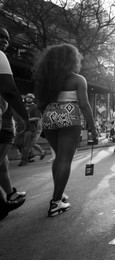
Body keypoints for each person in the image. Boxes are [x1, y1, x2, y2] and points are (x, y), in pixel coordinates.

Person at [34, 43, 97, 217]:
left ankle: (59, 195)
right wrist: (92, 127)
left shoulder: (45, 80)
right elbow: (84, 105)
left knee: (58, 158)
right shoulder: (78, 79)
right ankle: (56, 202)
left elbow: (39, 104)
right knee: (64, 159)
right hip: (70, 118)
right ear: (72, 60)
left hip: (49, 117)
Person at [0, 26, 29, 220]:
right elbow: (10, 90)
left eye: (7, 38)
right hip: (3, 122)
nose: (4, 40)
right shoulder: (0, 56)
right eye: (0, 36)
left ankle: (9, 194)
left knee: (3, 161)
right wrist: (24, 116)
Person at [16, 93, 42, 166]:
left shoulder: (35, 107)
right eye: (27, 97)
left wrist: (27, 119)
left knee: (26, 145)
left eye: (30, 97)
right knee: (17, 142)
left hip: (31, 128)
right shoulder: (22, 106)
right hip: (21, 128)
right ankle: (30, 155)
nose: (29, 98)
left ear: (33, 99)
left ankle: (24, 161)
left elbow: (38, 117)